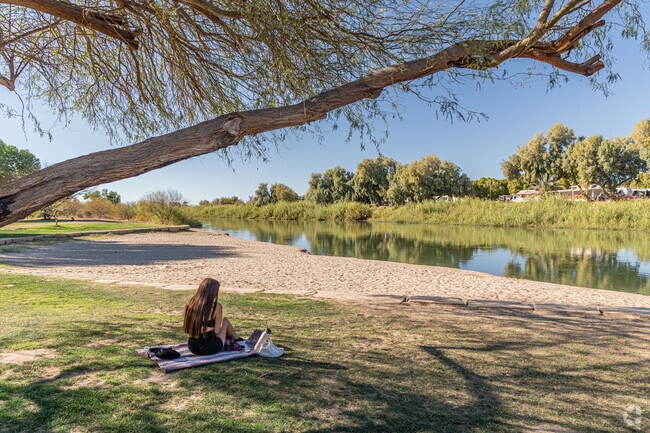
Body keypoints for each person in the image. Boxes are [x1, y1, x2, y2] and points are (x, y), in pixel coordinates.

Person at [183, 277, 242, 355]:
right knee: (225, 320)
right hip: (210, 347)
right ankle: (237, 339)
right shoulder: (216, 306)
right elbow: (217, 331)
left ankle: (236, 338)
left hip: (193, 347)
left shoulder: (190, 304)